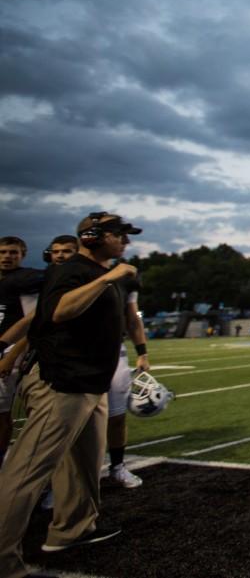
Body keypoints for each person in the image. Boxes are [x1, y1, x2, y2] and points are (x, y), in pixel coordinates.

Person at [0, 212, 141, 578]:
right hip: (62, 383)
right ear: (93, 236)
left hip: (91, 384)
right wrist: (112, 276)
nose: (125, 242)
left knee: (84, 464)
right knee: (27, 471)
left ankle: (71, 530)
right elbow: (60, 312)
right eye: (119, 235)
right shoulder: (71, 271)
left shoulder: (95, 272)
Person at [0, 237, 45, 468]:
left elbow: (32, 320)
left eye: (12, 252)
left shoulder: (25, 279)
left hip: (13, 350)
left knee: (9, 411)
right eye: (3, 252)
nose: (7, 256)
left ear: (23, 254)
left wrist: (11, 354)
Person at [104, 270, 150, 488]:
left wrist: (142, 352)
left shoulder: (125, 281)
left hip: (114, 349)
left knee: (117, 416)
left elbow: (133, 318)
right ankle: (59, 480)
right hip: (77, 353)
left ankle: (117, 465)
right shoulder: (72, 276)